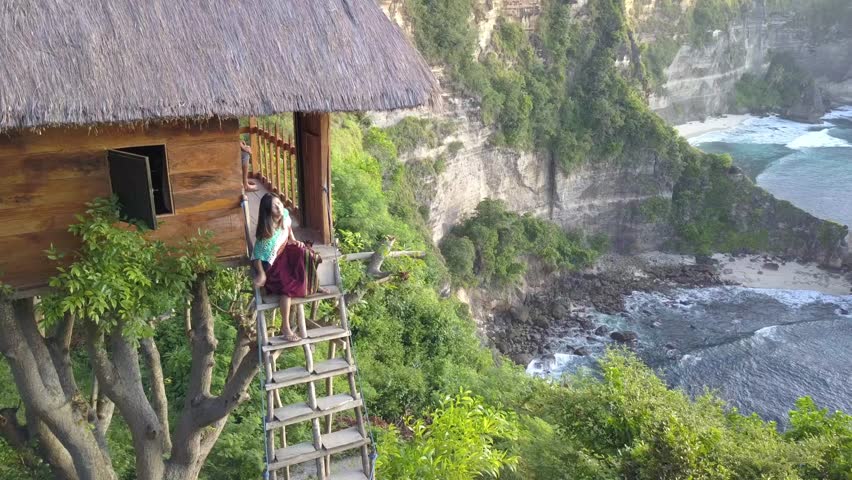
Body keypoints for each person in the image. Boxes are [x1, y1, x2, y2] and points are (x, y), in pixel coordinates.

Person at [252, 193, 322, 342]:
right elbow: (257, 256)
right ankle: (285, 327)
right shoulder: (266, 234)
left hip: (284, 253)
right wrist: (261, 274)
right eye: (274, 206)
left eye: (279, 203)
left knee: (305, 251)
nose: (279, 207)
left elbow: (288, 227)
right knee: (287, 287)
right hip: (273, 266)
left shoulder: (284, 214)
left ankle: (314, 284)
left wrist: (293, 240)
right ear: (268, 211)